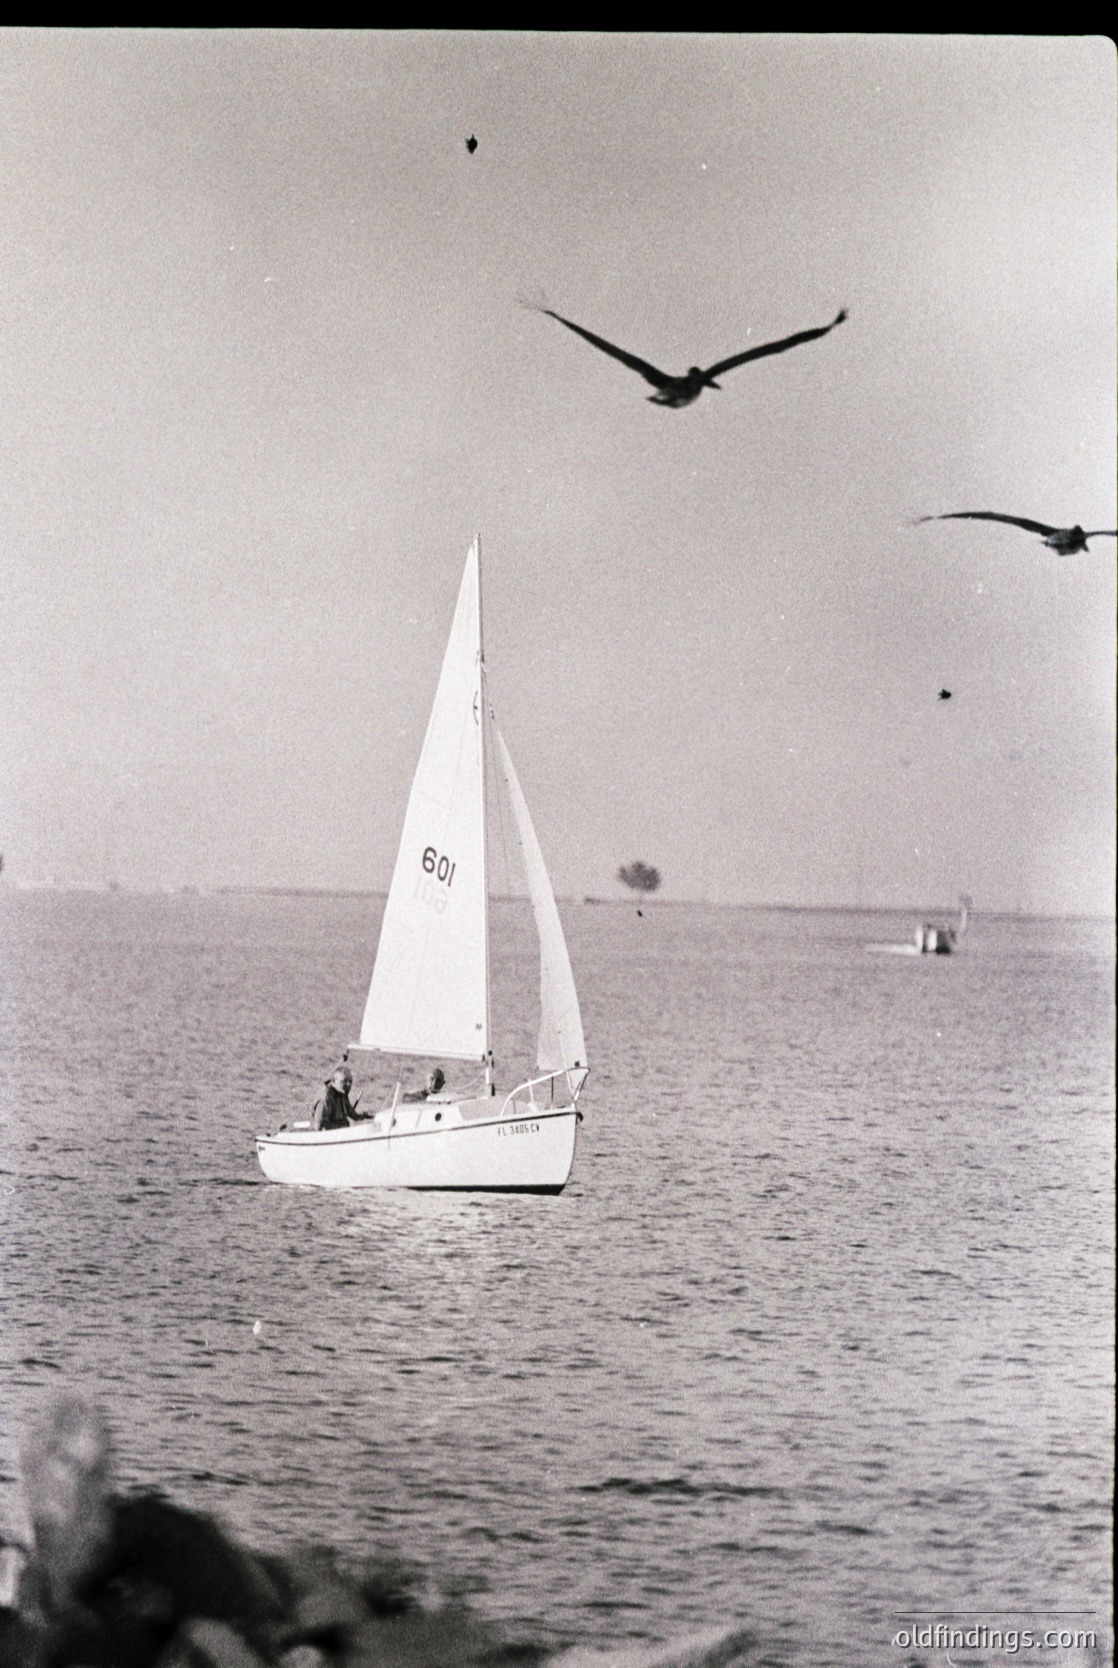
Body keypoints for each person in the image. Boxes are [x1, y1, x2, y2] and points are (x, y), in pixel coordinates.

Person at [313, 1065, 358, 1130]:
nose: (348, 1085)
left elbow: (352, 1113)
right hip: (332, 1135)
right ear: (334, 1081)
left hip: (344, 1131)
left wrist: (369, 1116)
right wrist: (343, 1128)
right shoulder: (325, 1098)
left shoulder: (342, 1092)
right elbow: (319, 1127)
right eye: (344, 1081)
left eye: (350, 1081)